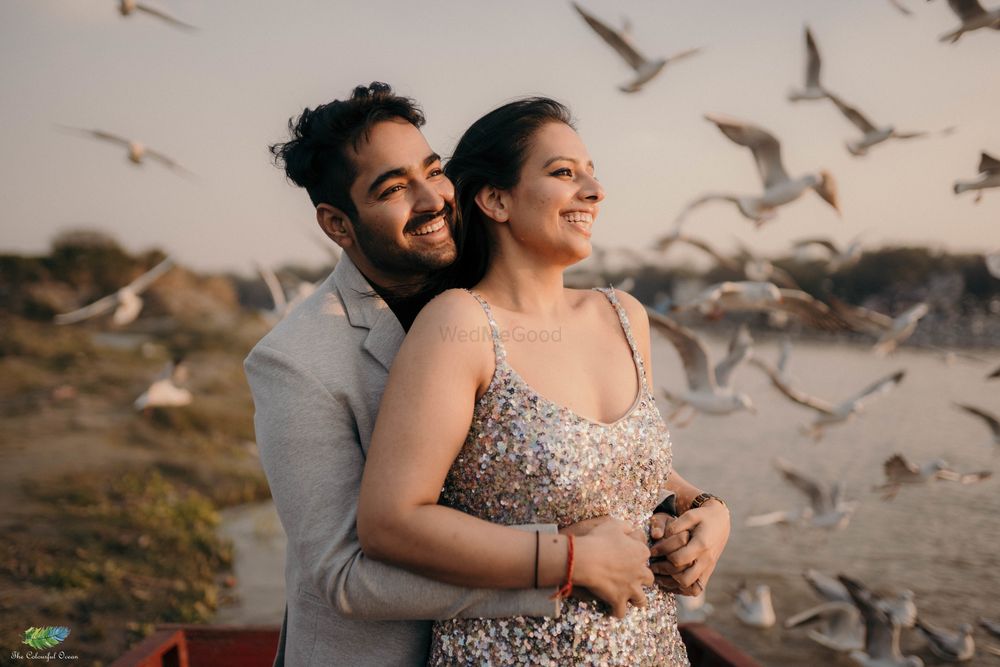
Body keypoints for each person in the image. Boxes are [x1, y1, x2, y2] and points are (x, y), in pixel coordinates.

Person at [245, 83, 715, 667]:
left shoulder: (501, 297)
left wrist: (705, 509)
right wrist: (567, 566)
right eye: (393, 188)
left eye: (433, 170)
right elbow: (347, 578)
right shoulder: (298, 362)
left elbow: (579, 452)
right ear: (338, 224)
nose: (433, 199)